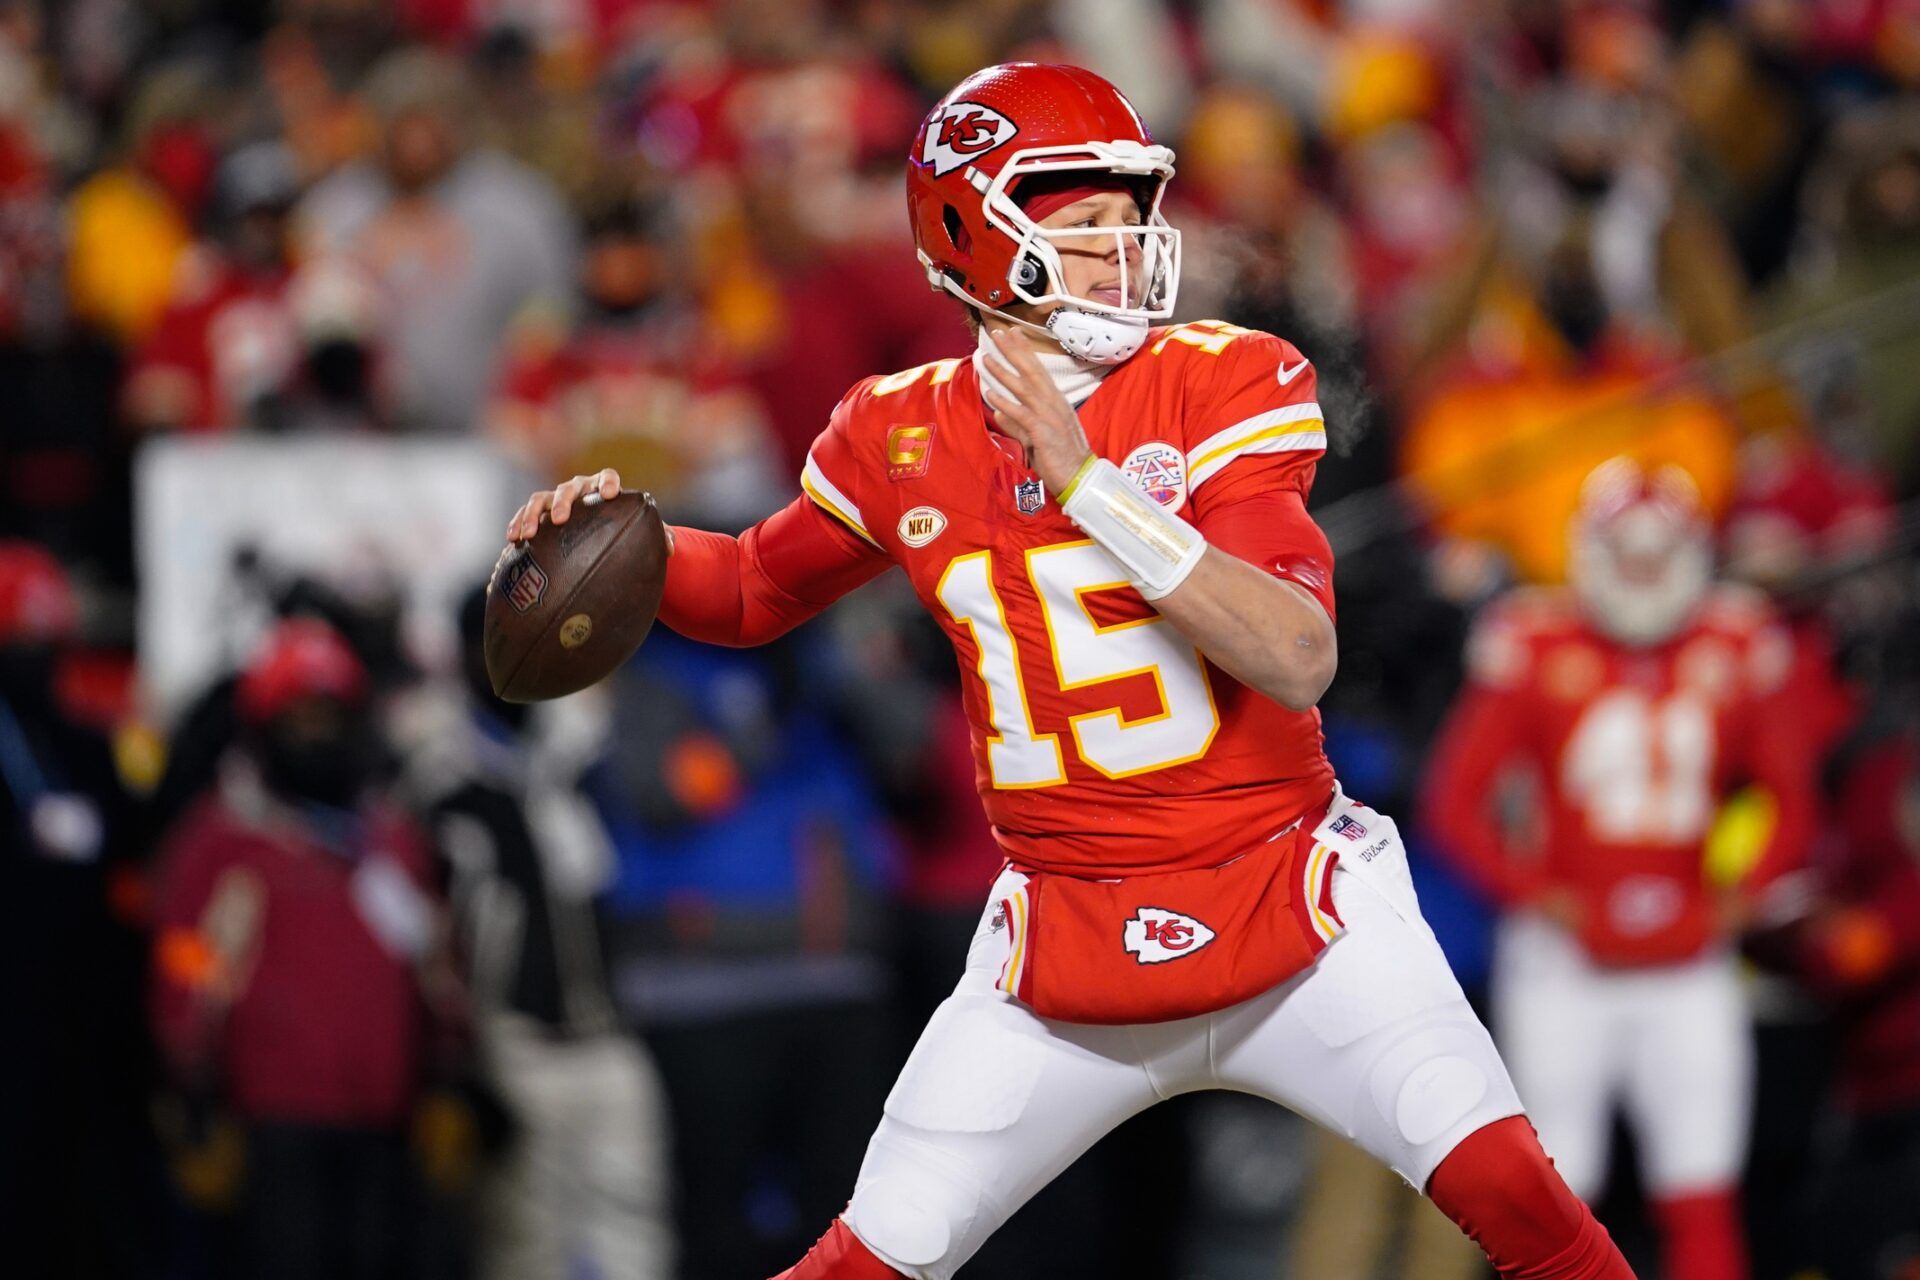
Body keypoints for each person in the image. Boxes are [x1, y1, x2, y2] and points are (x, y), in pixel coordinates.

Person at [508, 63, 1634, 1280]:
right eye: (1080, 220)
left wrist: (1091, 483)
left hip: (1292, 905)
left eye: (1128, 214)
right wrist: (622, 544)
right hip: (1063, 943)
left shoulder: (1224, 377)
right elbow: (748, 591)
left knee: (1532, 1213)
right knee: (871, 1257)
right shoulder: (900, 428)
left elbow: (1298, 655)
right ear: (965, 233)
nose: (1123, 248)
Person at [1422, 460, 1819, 1280]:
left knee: (1702, 1190)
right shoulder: (1536, 640)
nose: (1641, 575)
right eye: (1627, 555)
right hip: (1566, 960)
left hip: (1689, 956)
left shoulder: (1735, 640)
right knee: (1555, 1206)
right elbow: (1454, 804)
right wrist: (1541, 899)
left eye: (1656, 555)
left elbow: (1795, 794)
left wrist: (1741, 902)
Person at [150, 618, 450, 1280]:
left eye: (330, 716)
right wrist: (192, 1089)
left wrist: (453, 1076)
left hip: (388, 1129)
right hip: (271, 1132)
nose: (317, 735)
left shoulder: (390, 839)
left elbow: (435, 967)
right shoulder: (221, 842)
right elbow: (185, 965)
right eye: (299, 719)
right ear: (262, 729)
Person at [406, 585, 675, 1280]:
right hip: (513, 1044)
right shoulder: (440, 777)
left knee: (636, 1238)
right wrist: (459, 1060)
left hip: (610, 1033)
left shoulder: (583, 754)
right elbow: (427, 934)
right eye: (495, 642)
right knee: (525, 1246)